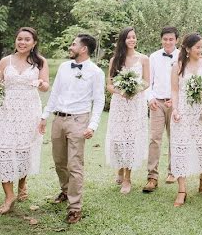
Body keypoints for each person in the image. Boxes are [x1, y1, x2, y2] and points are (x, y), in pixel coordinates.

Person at [0, 27, 49, 215]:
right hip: (6, 111)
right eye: (19, 39)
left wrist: (42, 84)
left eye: (27, 39)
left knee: (24, 150)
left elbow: (45, 86)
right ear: (15, 41)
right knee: (4, 150)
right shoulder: (5, 61)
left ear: (34, 43)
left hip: (29, 110)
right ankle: (9, 196)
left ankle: (22, 185)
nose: (22, 42)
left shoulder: (40, 62)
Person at [38, 34, 105, 224]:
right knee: (59, 161)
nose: (70, 46)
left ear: (83, 49)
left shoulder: (95, 72)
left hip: (79, 120)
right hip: (58, 119)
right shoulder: (63, 67)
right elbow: (55, 92)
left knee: (74, 164)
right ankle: (66, 191)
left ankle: (75, 207)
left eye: (73, 44)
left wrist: (92, 125)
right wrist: (45, 116)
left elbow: (99, 101)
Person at [170, 32, 202, 207]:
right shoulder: (178, 65)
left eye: (201, 47)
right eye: (197, 47)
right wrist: (175, 109)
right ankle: (182, 190)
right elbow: (174, 90)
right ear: (188, 49)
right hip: (183, 110)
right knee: (181, 147)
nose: (201, 50)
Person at [104, 27, 150, 193]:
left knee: (131, 139)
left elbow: (146, 82)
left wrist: (134, 90)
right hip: (119, 104)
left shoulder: (143, 59)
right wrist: (121, 91)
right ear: (123, 40)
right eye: (128, 37)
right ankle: (120, 170)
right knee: (118, 138)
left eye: (134, 37)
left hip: (136, 104)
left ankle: (127, 178)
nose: (131, 40)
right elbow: (109, 85)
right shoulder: (115, 59)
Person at [143, 26, 179, 193]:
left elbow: (183, 81)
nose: (168, 42)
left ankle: (173, 171)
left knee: (175, 138)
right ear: (161, 40)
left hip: (175, 103)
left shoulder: (181, 56)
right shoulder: (154, 57)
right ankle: (152, 177)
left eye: (171, 39)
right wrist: (150, 98)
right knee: (154, 139)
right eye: (165, 39)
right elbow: (148, 81)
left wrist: (177, 99)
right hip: (157, 102)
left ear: (176, 40)